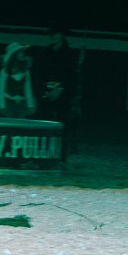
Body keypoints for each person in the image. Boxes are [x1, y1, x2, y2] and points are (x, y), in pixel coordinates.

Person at [34, 27, 78, 158]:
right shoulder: (44, 53)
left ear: (62, 35)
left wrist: (60, 90)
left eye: (56, 33)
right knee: (46, 124)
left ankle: (61, 156)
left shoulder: (70, 55)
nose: (53, 36)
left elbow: (72, 77)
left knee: (63, 124)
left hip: (64, 95)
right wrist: (44, 91)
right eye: (51, 34)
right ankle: (45, 153)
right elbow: (39, 75)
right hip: (46, 94)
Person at [0, 42, 35, 118]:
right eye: (19, 52)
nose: (22, 54)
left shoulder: (25, 71)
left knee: (21, 127)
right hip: (8, 104)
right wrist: (2, 106)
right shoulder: (5, 71)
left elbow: (28, 89)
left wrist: (30, 105)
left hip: (22, 104)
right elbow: (1, 90)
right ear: (14, 54)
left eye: (22, 52)